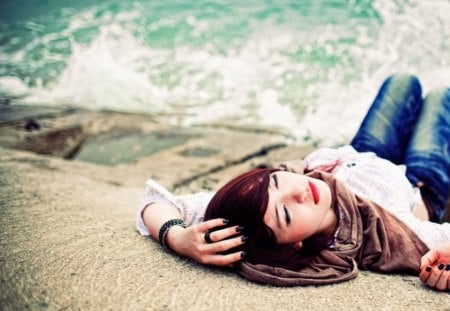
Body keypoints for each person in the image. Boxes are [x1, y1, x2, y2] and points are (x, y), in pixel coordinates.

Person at [137, 74, 450, 291]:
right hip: (420, 180)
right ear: (292, 246)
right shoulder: (382, 238)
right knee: (441, 97)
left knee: (402, 81)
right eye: (285, 214)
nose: (296, 190)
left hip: (360, 153)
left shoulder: (253, 207)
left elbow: (155, 202)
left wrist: (177, 237)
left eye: (274, 182)